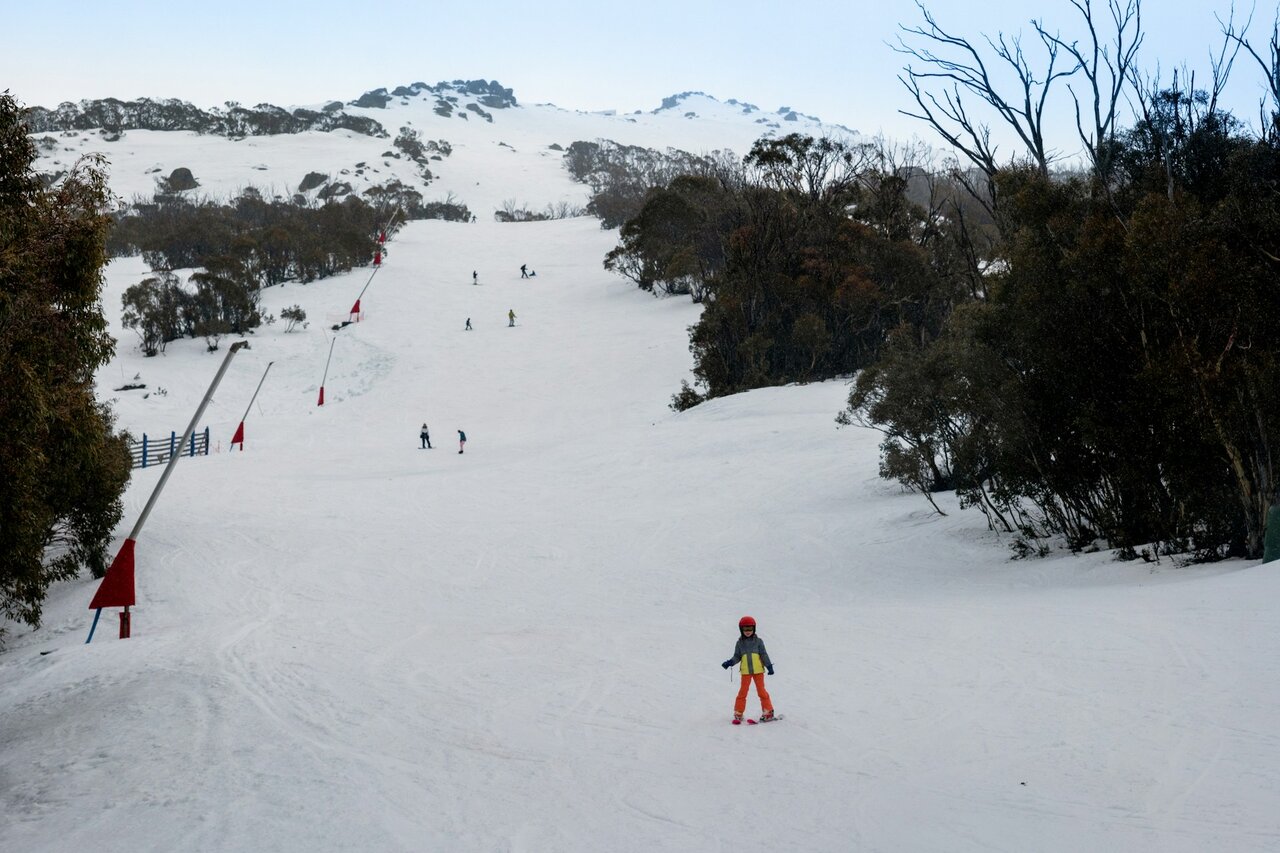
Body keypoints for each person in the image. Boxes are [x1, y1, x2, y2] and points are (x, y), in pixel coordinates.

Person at [721, 615, 776, 724]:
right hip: (746, 672)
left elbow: (764, 654)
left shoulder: (759, 642)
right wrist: (730, 662)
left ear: (754, 629)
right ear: (741, 629)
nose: (748, 631)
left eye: (750, 629)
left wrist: (769, 666)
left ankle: (768, 711)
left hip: (758, 671)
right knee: (743, 692)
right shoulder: (739, 643)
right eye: (745, 629)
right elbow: (737, 656)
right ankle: (738, 713)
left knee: (761, 691)